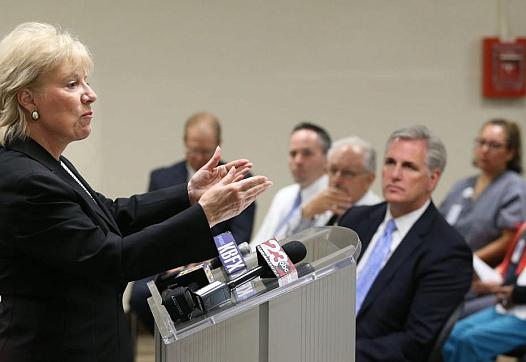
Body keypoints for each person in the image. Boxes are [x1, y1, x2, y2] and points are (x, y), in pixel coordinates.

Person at [0, 22, 272, 362]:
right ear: (28, 98)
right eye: (72, 84)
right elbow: (110, 259)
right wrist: (205, 215)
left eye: (86, 81)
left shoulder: (47, 163)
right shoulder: (24, 177)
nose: (90, 93)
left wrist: (189, 194)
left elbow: (111, 215)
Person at [338, 125, 473, 361]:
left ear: (433, 179)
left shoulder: (447, 251)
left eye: (409, 166)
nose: (395, 174)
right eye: (390, 162)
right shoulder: (356, 219)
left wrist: (337, 354)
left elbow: (415, 343)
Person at [130, 111, 256, 334]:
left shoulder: (238, 180)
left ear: (218, 146)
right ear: (185, 143)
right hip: (166, 259)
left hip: (212, 260)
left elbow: (239, 236)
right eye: (193, 150)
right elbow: (152, 227)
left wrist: (202, 260)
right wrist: (168, 260)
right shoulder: (162, 178)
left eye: (205, 151)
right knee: (140, 294)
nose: (198, 158)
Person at [440, 119, 526, 267]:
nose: (485, 150)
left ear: (510, 153)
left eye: (494, 145)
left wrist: (469, 261)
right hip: (447, 268)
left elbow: (509, 239)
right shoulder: (461, 186)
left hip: (484, 277)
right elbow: (437, 226)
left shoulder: (513, 187)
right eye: (481, 142)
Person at [250, 122, 331, 248]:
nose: (298, 161)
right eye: (293, 154)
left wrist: (305, 216)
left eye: (307, 153)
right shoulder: (284, 195)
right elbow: (260, 241)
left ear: (327, 158)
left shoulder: (332, 200)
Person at [290, 136, 381, 233]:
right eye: (333, 170)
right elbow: (289, 245)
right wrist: (307, 214)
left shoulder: (378, 216)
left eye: (348, 173)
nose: (337, 180)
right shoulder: (321, 204)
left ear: (369, 180)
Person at [443, 260, 526, 361]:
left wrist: (515, 294)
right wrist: (503, 288)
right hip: (507, 308)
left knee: (471, 341)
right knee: (452, 334)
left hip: (522, 318)